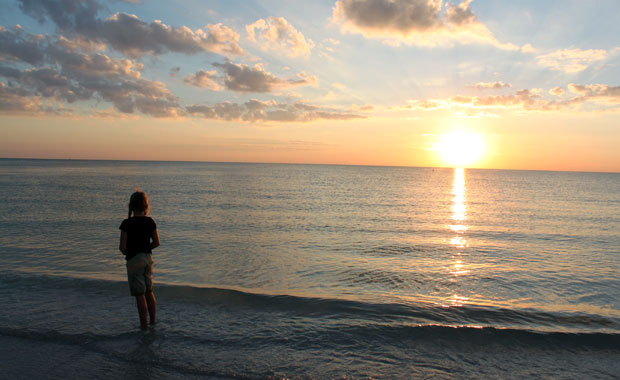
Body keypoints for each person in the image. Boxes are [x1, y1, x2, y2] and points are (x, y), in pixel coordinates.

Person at [119, 191, 160, 329]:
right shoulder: (150, 222)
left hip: (134, 259)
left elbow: (122, 247)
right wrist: (146, 248)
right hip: (148, 258)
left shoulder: (126, 223)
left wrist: (130, 252)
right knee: (149, 291)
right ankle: (153, 322)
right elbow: (156, 242)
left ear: (131, 206)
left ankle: (144, 326)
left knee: (140, 294)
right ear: (146, 206)